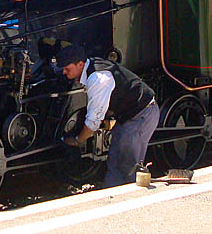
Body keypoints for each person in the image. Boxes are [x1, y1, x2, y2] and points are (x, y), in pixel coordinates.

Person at [56, 44, 159, 187]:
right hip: (127, 116)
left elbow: (93, 122)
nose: (64, 72)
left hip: (141, 115)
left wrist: (77, 140)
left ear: (80, 64)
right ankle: (111, 197)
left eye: (67, 69)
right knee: (114, 161)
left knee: (128, 166)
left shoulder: (98, 78)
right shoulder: (92, 66)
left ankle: (132, 202)